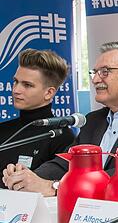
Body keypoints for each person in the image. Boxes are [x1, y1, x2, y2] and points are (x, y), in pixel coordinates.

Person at [2, 41, 118, 195]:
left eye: (105, 72)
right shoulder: (93, 120)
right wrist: (28, 177)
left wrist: (55, 187)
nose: (95, 80)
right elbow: (66, 162)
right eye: (94, 72)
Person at [0, 49, 75, 188]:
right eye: (16, 82)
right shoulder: (3, 130)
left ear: (49, 92)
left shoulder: (62, 137)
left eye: (27, 85)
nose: (16, 90)